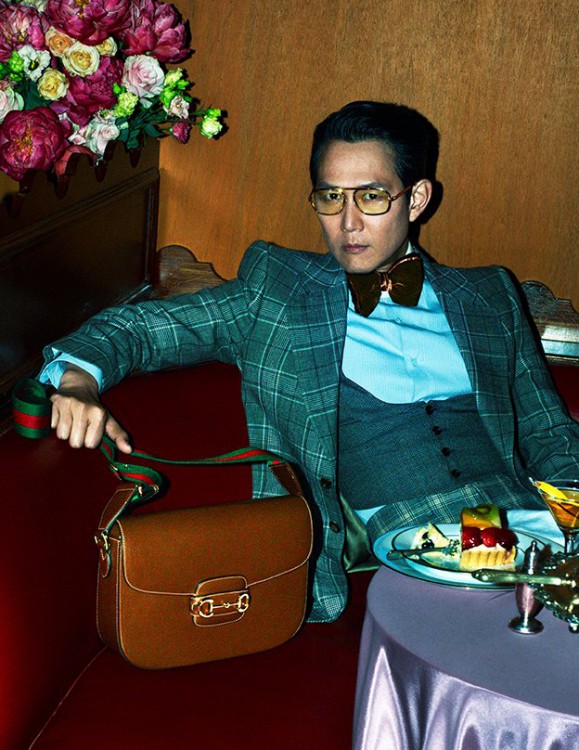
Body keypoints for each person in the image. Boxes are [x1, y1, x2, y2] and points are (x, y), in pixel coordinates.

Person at [40, 101, 579, 623]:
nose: (348, 223)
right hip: (412, 552)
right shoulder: (279, 294)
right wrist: (78, 379)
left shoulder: (488, 295)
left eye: (371, 197)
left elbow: (550, 433)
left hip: (530, 532)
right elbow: (140, 329)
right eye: (330, 197)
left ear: (416, 199)